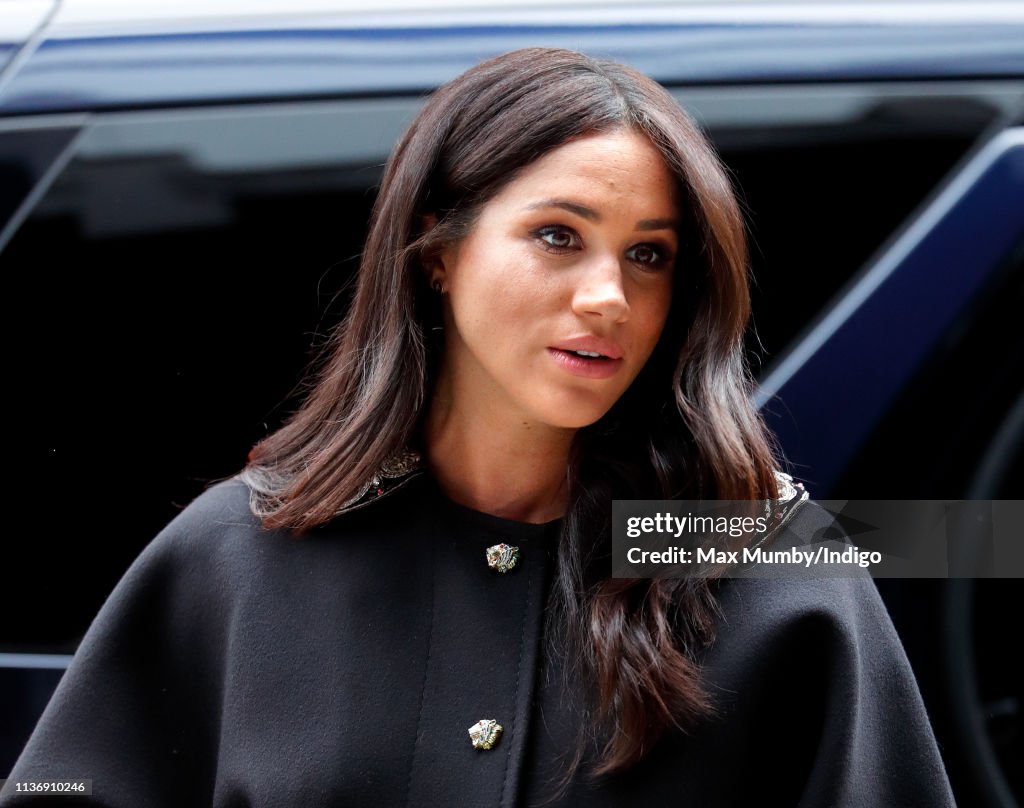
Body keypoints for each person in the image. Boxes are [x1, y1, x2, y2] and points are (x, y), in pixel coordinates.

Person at [1, 48, 956, 807]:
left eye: (651, 255)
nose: (608, 296)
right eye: (557, 235)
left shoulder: (774, 563)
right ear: (437, 254)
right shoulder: (235, 553)